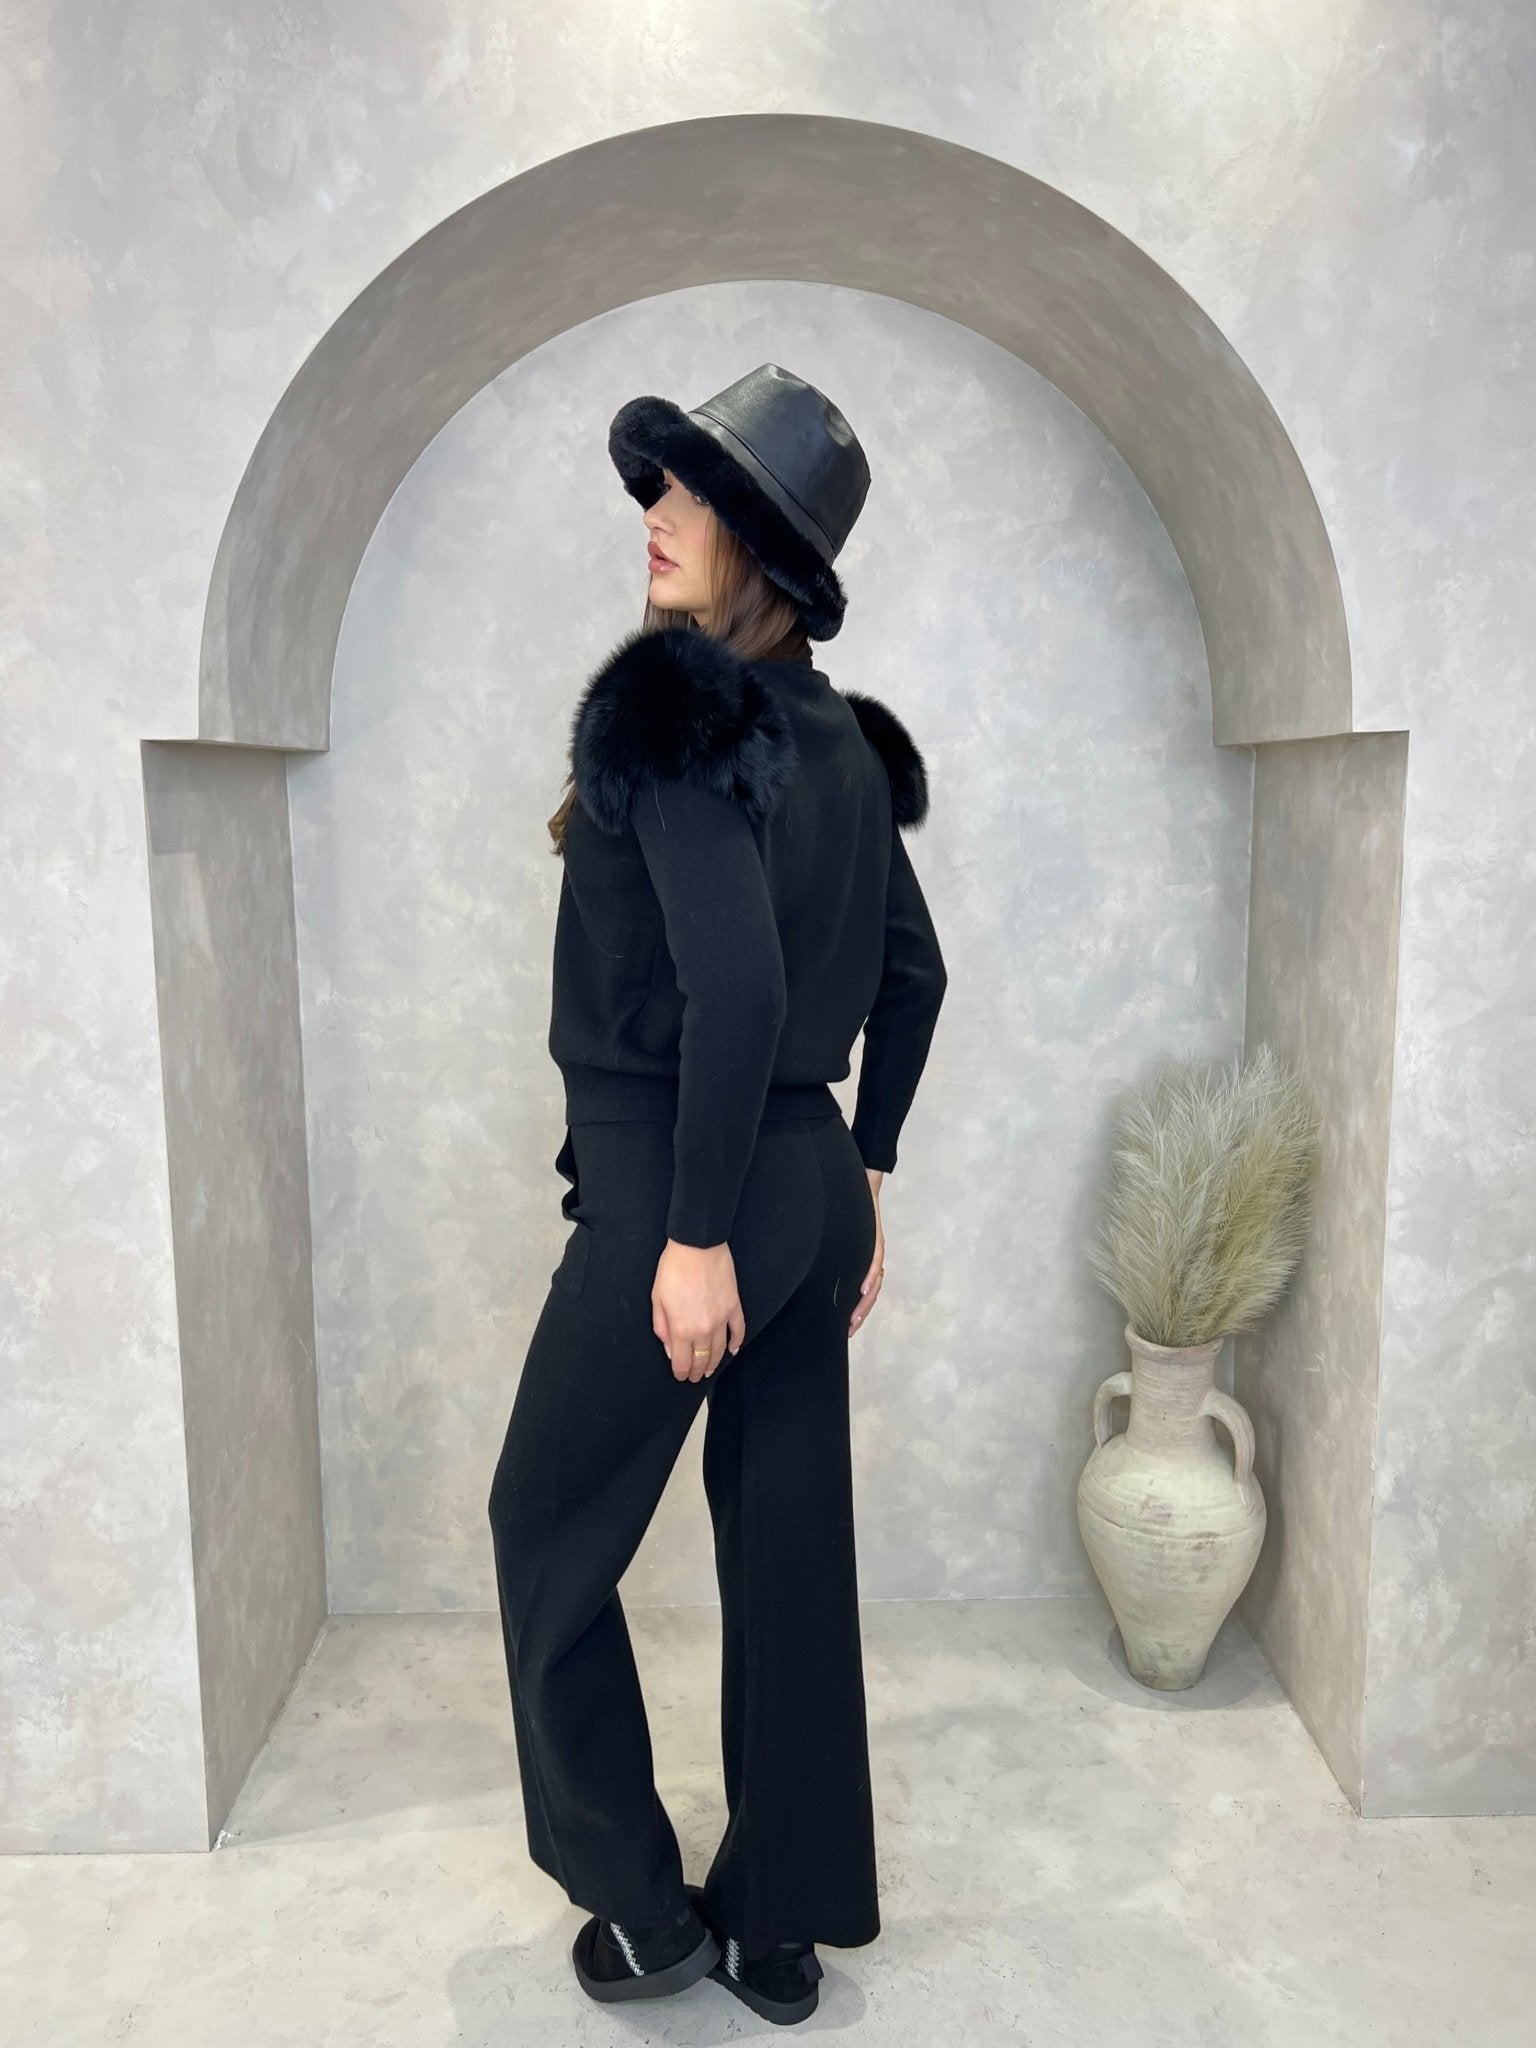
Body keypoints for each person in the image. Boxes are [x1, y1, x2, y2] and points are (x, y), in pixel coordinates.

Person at [487, 363, 947, 2026]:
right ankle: (779, 1922)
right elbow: (915, 975)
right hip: (804, 1180)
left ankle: (643, 1914)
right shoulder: (841, 742)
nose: (658, 516)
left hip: (679, 1187)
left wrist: (689, 1235)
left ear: (765, 543)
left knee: (543, 1529)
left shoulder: (676, 712)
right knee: (789, 1548)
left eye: (694, 493)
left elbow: (737, 991)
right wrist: (864, 1168)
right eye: (659, 488)